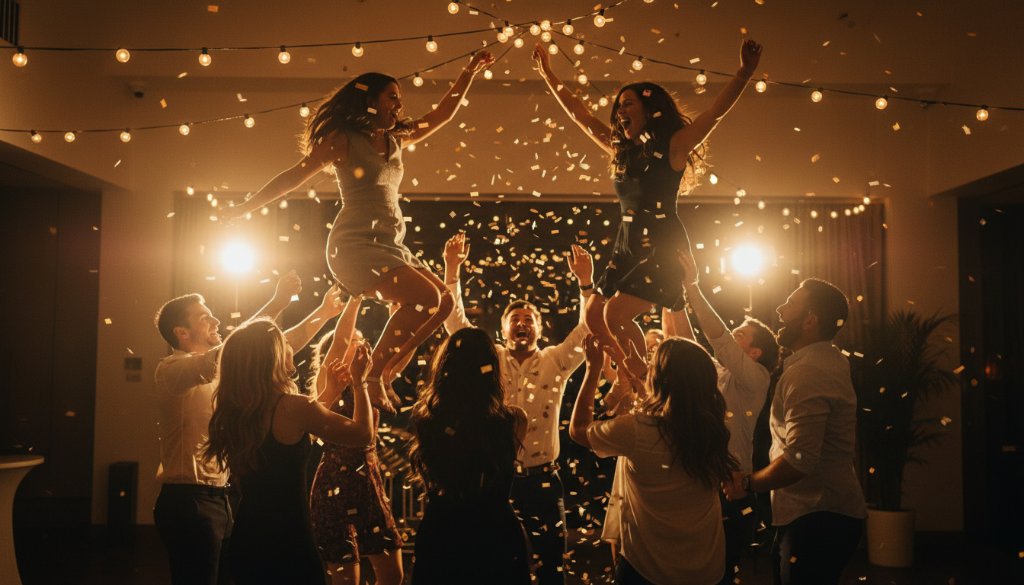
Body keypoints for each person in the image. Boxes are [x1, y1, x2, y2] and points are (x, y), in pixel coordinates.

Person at [225, 51, 496, 414]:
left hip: (390, 243)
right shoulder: (343, 140)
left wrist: (469, 71)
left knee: (443, 302)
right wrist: (245, 208)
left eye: (400, 99)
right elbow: (293, 177)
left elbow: (441, 115)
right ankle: (372, 376)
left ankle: (382, 374)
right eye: (392, 98)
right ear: (370, 100)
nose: (399, 106)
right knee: (426, 300)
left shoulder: (397, 138)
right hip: (353, 244)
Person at [532, 39, 763, 385]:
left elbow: (714, 113)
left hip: (659, 242)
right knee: (595, 316)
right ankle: (633, 374)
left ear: (648, 108)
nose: (619, 111)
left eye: (627, 103)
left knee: (614, 315)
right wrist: (548, 75)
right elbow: (579, 114)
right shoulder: (620, 151)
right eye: (617, 107)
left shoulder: (675, 146)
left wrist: (744, 73)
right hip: (627, 243)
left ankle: (645, 378)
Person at [152, 272, 341, 585]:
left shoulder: (219, 369)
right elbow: (244, 347)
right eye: (203, 316)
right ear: (181, 333)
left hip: (220, 498)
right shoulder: (173, 370)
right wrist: (276, 302)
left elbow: (273, 346)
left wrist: (323, 312)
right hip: (189, 502)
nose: (214, 318)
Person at [442, 233, 593, 584]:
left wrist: (585, 282)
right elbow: (456, 325)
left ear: (540, 329)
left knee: (553, 564)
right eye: (516, 319)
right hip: (496, 478)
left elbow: (587, 328)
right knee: (496, 564)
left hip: (543, 479)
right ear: (503, 328)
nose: (522, 323)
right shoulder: (491, 359)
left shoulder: (556, 360)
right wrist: (452, 270)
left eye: (529, 319)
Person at [202, 318, 375, 585]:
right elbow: (362, 434)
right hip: (290, 541)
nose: (290, 348)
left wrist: (329, 391)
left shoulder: (236, 412)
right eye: (283, 343)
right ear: (271, 357)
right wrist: (360, 382)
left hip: (247, 539)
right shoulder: (294, 407)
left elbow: (296, 432)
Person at [723, 279, 866, 585]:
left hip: (818, 516)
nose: (779, 309)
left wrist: (748, 483)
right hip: (815, 513)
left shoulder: (808, 372)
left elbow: (801, 459)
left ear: (810, 320)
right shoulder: (822, 360)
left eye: (790, 304)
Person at [571, 334, 738, 585]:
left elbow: (579, 429)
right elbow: (670, 410)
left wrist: (592, 369)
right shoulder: (714, 426)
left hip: (649, 571)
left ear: (661, 379)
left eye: (652, 366)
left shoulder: (635, 430)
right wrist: (630, 373)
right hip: (707, 568)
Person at [673, 249, 779, 584]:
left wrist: (693, 288)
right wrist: (671, 295)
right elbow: (685, 344)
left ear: (754, 352)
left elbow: (716, 338)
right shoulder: (718, 372)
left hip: (733, 488)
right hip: (700, 483)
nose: (730, 337)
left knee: (722, 570)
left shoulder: (757, 378)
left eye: (740, 336)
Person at [407, 327, 531, 585]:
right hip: (495, 535)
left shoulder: (427, 419)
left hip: (443, 535)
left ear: (445, 368)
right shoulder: (514, 420)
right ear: (492, 370)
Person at [308, 296, 405, 585]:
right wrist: (356, 296)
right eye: (355, 339)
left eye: (363, 339)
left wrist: (397, 317)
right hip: (333, 485)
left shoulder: (373, 382)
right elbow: (340, 339)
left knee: (393, 576)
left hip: (368, 483)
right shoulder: (327, 383)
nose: (361, 343)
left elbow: (402, 350)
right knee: (345, 581)